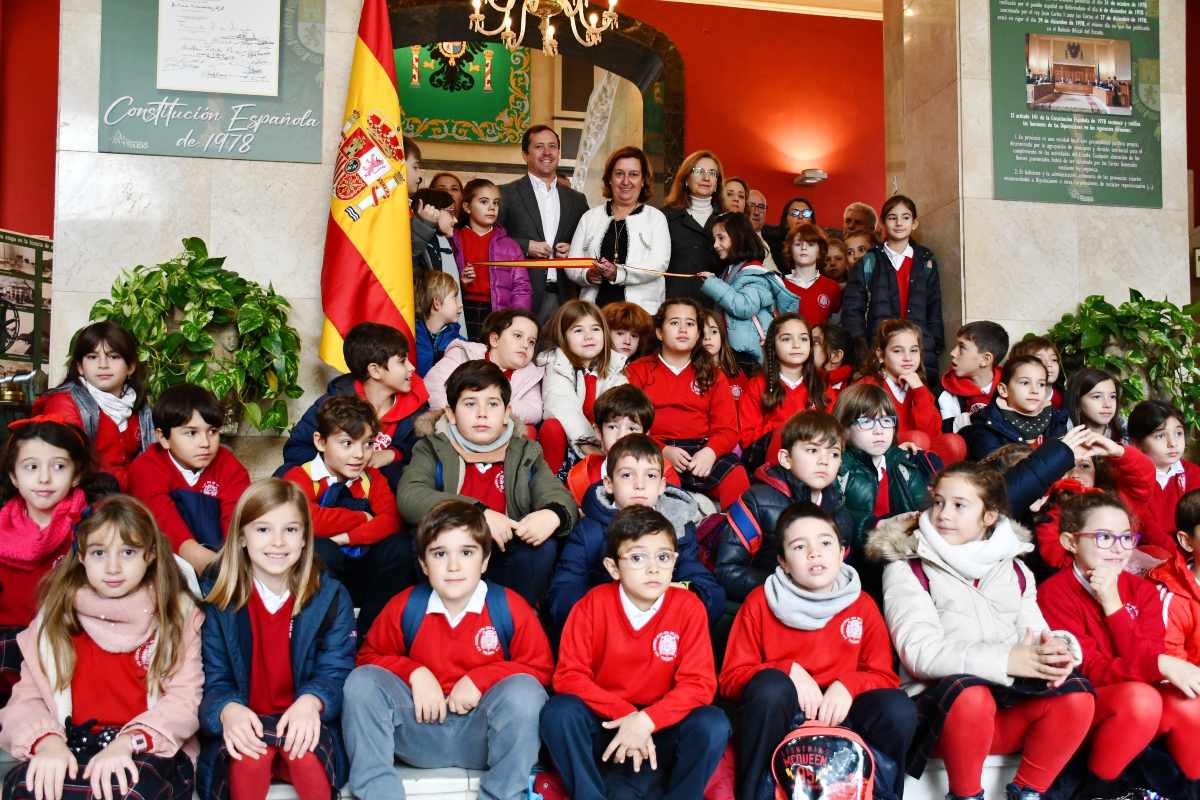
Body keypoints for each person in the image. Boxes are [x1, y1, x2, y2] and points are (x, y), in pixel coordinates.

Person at [865, 463, 1094, 800]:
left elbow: (1035, 633)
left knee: (1077, 694)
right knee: (971, 695)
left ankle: (1029, 793)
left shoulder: (1015, 567)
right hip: (945, 718)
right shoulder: (906, 566)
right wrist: (1007, 660)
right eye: (939, 502)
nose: (943, 514)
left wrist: (1056, 650)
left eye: (959, 505)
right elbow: (920, 653)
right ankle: (965, 794)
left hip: (1005, 707)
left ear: (989, 516)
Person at [342, 500, 552, 800]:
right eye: (440, 554)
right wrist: (415, 673)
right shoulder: (406, 606)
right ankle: (378, 793)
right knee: (361, 684)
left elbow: (541, 671)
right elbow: (367, 660)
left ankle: (502, 795)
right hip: (418, 731)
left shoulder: (509, 608)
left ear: (484, 561)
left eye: (466, 553)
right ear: (424, 564)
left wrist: (481, 679)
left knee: (525, 693)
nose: (453, 566)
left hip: (483, 738)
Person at [0, 495, 203, 800]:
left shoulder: (178, 615)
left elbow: (185, 701)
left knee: (125, 790)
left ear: (149, 555)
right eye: (98, 553)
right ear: (81, 556)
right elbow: (26, 699)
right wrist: (46, 742)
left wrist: (128, 743)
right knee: (26, 787)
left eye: (128, 552)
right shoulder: (54, 620)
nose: (112, 567)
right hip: (69, 744)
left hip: (145, 747)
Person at [720, 503, 916, 800]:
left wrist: (847, 686)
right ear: (783, 562)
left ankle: (880, 793)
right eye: (800, 547)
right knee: (771, 687)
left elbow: (884, 677)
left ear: (841, 553)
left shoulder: (862, 604)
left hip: (841, 715)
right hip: (784, 718)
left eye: (825, 543)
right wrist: (787, 670)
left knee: (898, 708)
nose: (814, 553)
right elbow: (731, 680)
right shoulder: (760, 602)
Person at [540, 506, 730, 799]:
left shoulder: (689, 607)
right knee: (559, 712)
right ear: (613, 567)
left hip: (662, 724)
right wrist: (627, 716)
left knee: (713, 723)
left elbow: (699, 684)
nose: (653, 568)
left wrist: (646, 721)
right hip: (607, 724)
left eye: (664, 557)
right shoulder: (591, 605)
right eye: (638, 557)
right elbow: (569, 676)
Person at [198, 479, 356, 800]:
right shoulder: (219, 602)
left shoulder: (330, 597)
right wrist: (227, 709)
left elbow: (336, 671)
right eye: (263, 530)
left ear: (304, 539)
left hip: (303, 716)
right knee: (249, 762)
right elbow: (212, 679)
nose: (278, 542)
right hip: (246, 719)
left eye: (291, 530)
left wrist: (312, 701)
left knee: (306, 759)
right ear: (241, 537)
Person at [1041, 491, 1200, 797]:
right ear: (1070, 543)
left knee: (1190, 701)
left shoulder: (1142, 590)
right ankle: (1095, 791)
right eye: (1104, 537)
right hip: (1080, 701)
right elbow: (1089, 671)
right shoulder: (1053, 593)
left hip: (1137, 698)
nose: (1118, 548)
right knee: (1141, 698)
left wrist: (1113, 604)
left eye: (1126, 538)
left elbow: (1147, 657)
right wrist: (1156, 663)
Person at [397, 361, 577, 606]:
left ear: (506, 413)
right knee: (402, 544)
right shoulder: (432, 447)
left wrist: (553, 513)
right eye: (470, 404)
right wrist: (478, 514)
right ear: (450, 413)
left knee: (542, 548)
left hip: (505, 553)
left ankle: (518, 618)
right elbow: (411, 496)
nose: (482, 413)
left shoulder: (525, 450)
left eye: (492, 404)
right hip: (450, 556)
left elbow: (556, 493)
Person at [548, 434, 725, 631]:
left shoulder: (678, 528)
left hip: (662, 631)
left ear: (661, 486)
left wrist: (677, 604)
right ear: (608, 484)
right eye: (627, 475)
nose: (639, 485)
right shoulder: (589, 531)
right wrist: (619, 608)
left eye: (650, 475)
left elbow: (708, 591)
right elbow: (562, 598)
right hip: (605, 634)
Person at [281, 397, 413, 638]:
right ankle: (321, 635)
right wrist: (362, 517)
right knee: (321, 550)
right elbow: (308, 519)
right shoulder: (301, 477)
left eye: (367, 444)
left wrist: (346, 537)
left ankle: (370, 634)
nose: (359, 455)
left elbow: (391, 520)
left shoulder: (371, 478)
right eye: (347, 443)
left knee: (400, 548)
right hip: (322, 573)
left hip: (361, 569)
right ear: (320, 442)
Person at [0, 417, 96, 704]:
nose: (44, 479)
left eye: (58, 466)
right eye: (31, 467)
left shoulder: (93, 526)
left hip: (68, 641)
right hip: (8, 651)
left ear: (76, 474)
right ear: (14, 476)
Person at [715, 410, 854, 602]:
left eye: (834, 454)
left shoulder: (839, 511)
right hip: (767, 603)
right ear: (785, 459)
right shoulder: (756, 501)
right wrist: (788, 589)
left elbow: (841, 572)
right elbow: (727, 571)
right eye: (813, 450)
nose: (824, 461)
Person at [625, 298, 750, 510]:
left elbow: (728, 428)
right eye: (674, 323)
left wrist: (710, 452)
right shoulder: (638, 371)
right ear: (659, 332)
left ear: (699, 334)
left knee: (736, 476)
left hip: (701, 450)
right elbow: (628, 424)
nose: (683, 329)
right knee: (667, 496)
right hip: (653, 448)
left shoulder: (713, 374)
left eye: (690, 324)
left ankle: (729, 538)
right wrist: (661, 451)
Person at [281, 321, 429, 490]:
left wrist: (394, 454)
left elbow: (423, 455)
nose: (411, 368)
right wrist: (334, 467)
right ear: (375, 370)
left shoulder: (418, 407)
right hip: (332, 486)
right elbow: (296, 448)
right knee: (284, 476)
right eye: (402, 361)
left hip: (380, 492)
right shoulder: (331, 404)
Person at [128, 384, 251, 575]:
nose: (205, 443)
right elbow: (162, 517)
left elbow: (235, 519)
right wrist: (193, 554)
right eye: (191, 433)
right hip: (166, 560)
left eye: (212, 432)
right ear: (164, 438)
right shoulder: (146, 467)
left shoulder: (229, 466)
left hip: (221, 558)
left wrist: (231, 562)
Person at [34, 321, 153, 490]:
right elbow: (59, 472)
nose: (103, 365)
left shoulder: (138, 407)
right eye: (92, 357)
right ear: (80, 367)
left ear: (131, 367)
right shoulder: (64, 404)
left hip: (129, 505)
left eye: (113, 356)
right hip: (83, 504)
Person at [841, 195, 944, 379]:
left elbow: (934, 306)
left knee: (919, 398)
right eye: (892, 217)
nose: (899, 223)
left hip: (918, 351)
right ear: (882, 223)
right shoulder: (869, 261)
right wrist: (862, 346)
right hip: (879, 349)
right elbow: (852, 310)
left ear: (914, 223)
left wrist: (933, 344)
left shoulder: (925, 261)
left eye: (905, 217)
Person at [833, 384, 938, 555]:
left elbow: (924, 510)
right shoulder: (839, 468)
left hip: (905, 551)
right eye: (866, 421)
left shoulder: (902, 463)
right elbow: (833, 517)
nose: (879, 430)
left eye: (886, 421)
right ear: (844, 430)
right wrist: (878, 525)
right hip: (858, 555)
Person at [498, 125, 589, 322]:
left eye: (553, 146)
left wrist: (574, 249)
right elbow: (492, 241)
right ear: (525, 154)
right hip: (521, 296)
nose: (547, 152)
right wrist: (525, 246)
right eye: (539, 146)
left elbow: (590, 244)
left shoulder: (577, 199)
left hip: (566, 297)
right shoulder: (506, 193)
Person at [564, 146, 670, 314]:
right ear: (610, 179)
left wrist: (618, 274)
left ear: (643, 180)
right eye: (619, 173)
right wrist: (587, 275)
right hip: (595, 314)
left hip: (641, 314)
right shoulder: (589, 218)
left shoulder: (656, 218)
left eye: (634, 174)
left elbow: (658, 265)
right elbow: (572, 264)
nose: (626, 181)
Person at [1032, 430, 1154, 572]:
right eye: (1064, 467)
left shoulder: (1115, 502)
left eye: (1084, 466)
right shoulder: (1044, 517)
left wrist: (1118, 452)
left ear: (1097, 471)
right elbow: (1059, 563)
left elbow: (1144, 479)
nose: (1075, 475)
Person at [537, 301, 628, 475]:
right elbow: (562, 407)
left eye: (595, 329)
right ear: (563, 336)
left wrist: (611, 448)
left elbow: (623, 410)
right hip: (572, 445)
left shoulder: (615, 365)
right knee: (552, 426)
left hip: (606, 446)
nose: (589, 336)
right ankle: (552, 483)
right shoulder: (555, 363)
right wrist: (590, 445)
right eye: (578, 330)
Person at [860, 319, 967, 465]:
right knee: (917, 439)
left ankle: (937, 485)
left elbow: (933, 434)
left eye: (914, 350)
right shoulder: (868, 386)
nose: (908, 357)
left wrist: (919, 391)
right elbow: (865, 435)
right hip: (885, 454)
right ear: (880, 354)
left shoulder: (918, 386)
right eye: (898, 350)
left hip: (918, 450)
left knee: (954, 443)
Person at [697, 212, 795, 368]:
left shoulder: (755, 272)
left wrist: (713, 284)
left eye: (721, 238)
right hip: (735, 352)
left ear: (738, 237)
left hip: (750, 356)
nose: (715, 244)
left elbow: (745, 307)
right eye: (714, 239)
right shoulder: (730, 271)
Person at [423, 309, 545, 427]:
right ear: (495, 340)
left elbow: (534, 411)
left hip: (498, 432)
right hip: (454, 423)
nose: (525, 345)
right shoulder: (464, 353)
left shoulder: (530, 374)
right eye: (518, 336)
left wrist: (494, 407)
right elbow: (433, 384)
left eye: (531, 342)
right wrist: (460, 414)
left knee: (529, 431)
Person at [563, 385, 682, 504]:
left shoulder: (663, 472)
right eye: (613, 427)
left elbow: (674, 515)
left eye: (632, 428)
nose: (622, 436)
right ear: (599, 432)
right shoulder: (580, 477)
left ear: (645, 435)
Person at [738, 314, 827, 470]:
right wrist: (784, 427)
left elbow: (831, 433)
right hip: (770, 464)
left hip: (815, 463)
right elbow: (747, 439)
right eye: (786, 339)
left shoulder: (821, 385)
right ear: (772, 345)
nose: (796, 345)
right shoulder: (756, 385)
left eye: (804, 339)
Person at [454, 178, 532, 339]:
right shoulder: (453, 239)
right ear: (467, 207)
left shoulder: (510, 246)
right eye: (484, 202)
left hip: (497, 313)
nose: (491, 208)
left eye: (496, 203)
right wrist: (460, 283)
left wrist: (516, 319)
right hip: (460, 310)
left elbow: (522, 287)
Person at [961, 355, 1071, 462]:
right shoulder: (986, 427)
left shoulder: (1055, 418)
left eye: (1041, 384)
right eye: (1025, 383)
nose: (1035, 390)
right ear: (1004, 390)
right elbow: (998, 476)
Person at [1129, 399, 1200, 551]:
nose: (1173, 443)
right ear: (1136, 444)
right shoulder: (1132, 481)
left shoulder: (1194, 474)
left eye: (1178, 433)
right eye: (1160, 436)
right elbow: (1147, 532)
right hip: (1149, 560)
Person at [662, 150, 723, 301]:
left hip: (716, 307)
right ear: (686, 178)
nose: (706, 177)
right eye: (699, 171)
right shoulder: (664, 217)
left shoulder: (728, 220)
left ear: (717, 184)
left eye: (713, 173)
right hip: (675, 304)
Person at [939, 321, 1009, 434]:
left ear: (985, 359)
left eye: (962, 347)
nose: (952, 353)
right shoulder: (945, 392)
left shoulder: (1010, 388)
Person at [781, 223, 842, 326]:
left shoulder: (832, 288)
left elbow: (836, 329)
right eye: (798, 244)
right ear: (790, 249)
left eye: (810, 244)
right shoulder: (780, 286)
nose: (804, 248)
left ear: (820, 250)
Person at [408, 188, 464, 303]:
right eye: (451, 212)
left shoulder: (443, 243)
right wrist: (424, 225)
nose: (455, 220)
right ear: (430, 208)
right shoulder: (416, 242)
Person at [415, 270, 465, 377]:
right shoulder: (413, 337)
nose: (460, 304)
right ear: (437, 303)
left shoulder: (458, 342)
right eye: (454, 298)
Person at [701, 308, 749, 405]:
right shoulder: (692, 374)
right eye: (701, 333)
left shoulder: (737, 373)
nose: (707, 337)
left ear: (722, 336)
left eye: (714, 332)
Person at [1065, 367, 1126, 442]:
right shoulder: (1063, 435)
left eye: (1112, 396)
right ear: (1078, 400)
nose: (1107, 404)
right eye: (1097, 397)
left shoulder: (1127, 433)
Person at [1009, 336, 1065, 409]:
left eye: (1054, 359)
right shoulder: (1011, 401)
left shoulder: (1067, 399)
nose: (1049, 364)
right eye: (1039, 360)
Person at [763, 196, 816, 267]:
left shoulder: (819, 245)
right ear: (786, 220)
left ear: (811, 220)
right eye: (794, 213)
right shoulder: (771, 244)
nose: (800, 216)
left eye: (806, 213)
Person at [812, 322, 854, 397]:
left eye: (815, 342)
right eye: (805, 340)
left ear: (836, 356)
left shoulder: (852, 393)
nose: (804, 346)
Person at [746, 189, 779, 272]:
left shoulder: (775, 239)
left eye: (761, 207)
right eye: (752, 205)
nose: (756, 212)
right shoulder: (731, 235)